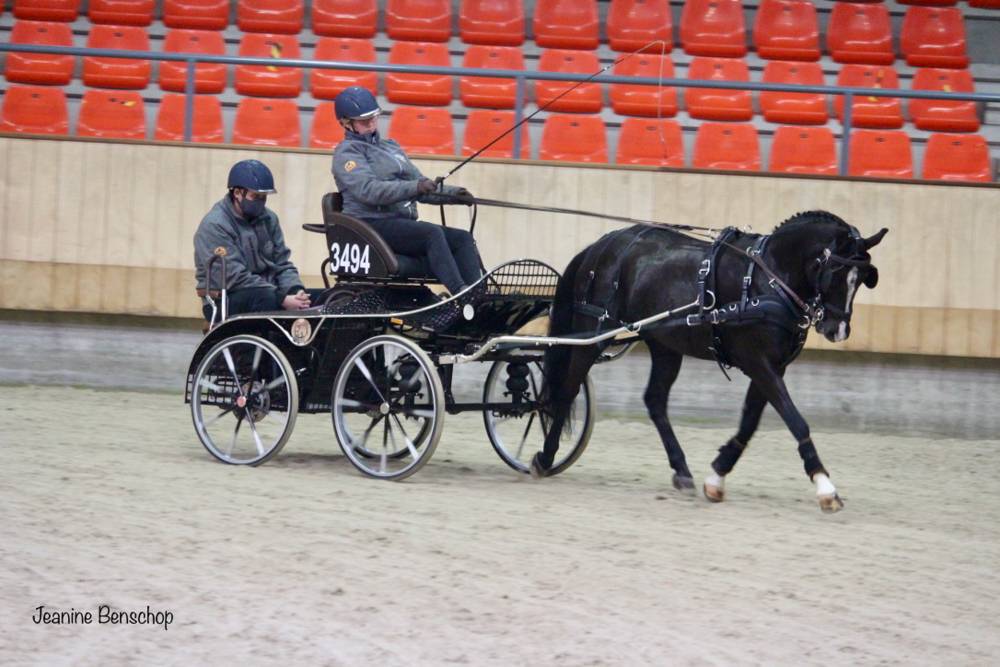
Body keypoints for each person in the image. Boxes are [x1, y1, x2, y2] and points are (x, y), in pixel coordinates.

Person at [330, 86, 483, 297]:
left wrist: (452, 194)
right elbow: (369, 190)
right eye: (365, 121)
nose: (372, 124)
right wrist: (415, 187)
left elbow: (419, 184)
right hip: (371, 223)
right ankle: (460, 294)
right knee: (431, 233)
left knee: (462, 238)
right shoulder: (346, 154)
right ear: (346, 123)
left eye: (374, 118)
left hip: (401, 224)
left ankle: (479, 296)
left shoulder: (391, 147)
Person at [194, 159, 315, 320]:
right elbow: (235, 277)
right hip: (225, 298)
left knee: (320, 299)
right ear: (237, 193)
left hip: (268, 290)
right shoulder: (215, 225)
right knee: (266, 298)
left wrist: (295, 291)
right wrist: (281, 298)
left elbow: (282, 264)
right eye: (255, 196)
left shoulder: (269, 218)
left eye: (264, 197)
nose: (260, 202)